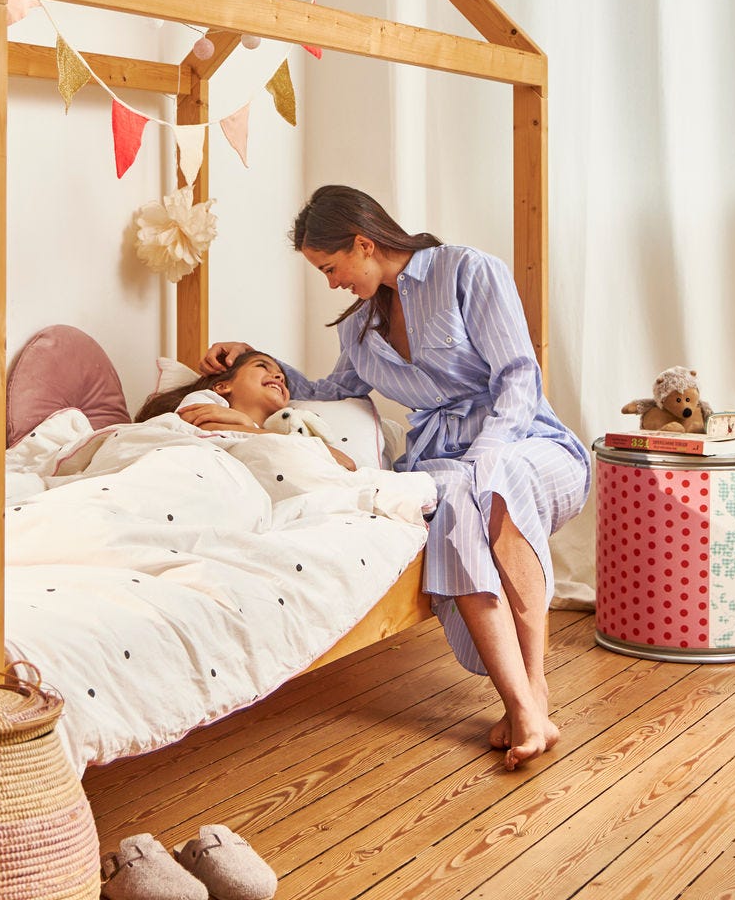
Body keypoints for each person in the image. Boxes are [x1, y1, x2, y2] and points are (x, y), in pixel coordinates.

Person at [200, 185, 588, 770]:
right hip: (443, 463)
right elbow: (330, 393)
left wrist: (484, 455)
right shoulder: (357, 330)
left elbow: (517, 379)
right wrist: (253, 358)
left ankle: (533, 690)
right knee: (452, 493)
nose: (331, 283)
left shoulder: (467, 271)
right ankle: (521, 704)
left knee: (492, 483)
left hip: (526, 441)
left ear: (362, 244)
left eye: (331, 268)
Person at [136, 348, 356, 471]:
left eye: (282, 377)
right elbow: (197, 428)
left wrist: (248, 426)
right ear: (223, 386)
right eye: (262, 366)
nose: (279, 376)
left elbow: (347, 465)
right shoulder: (207, 399)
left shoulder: (286, 431)